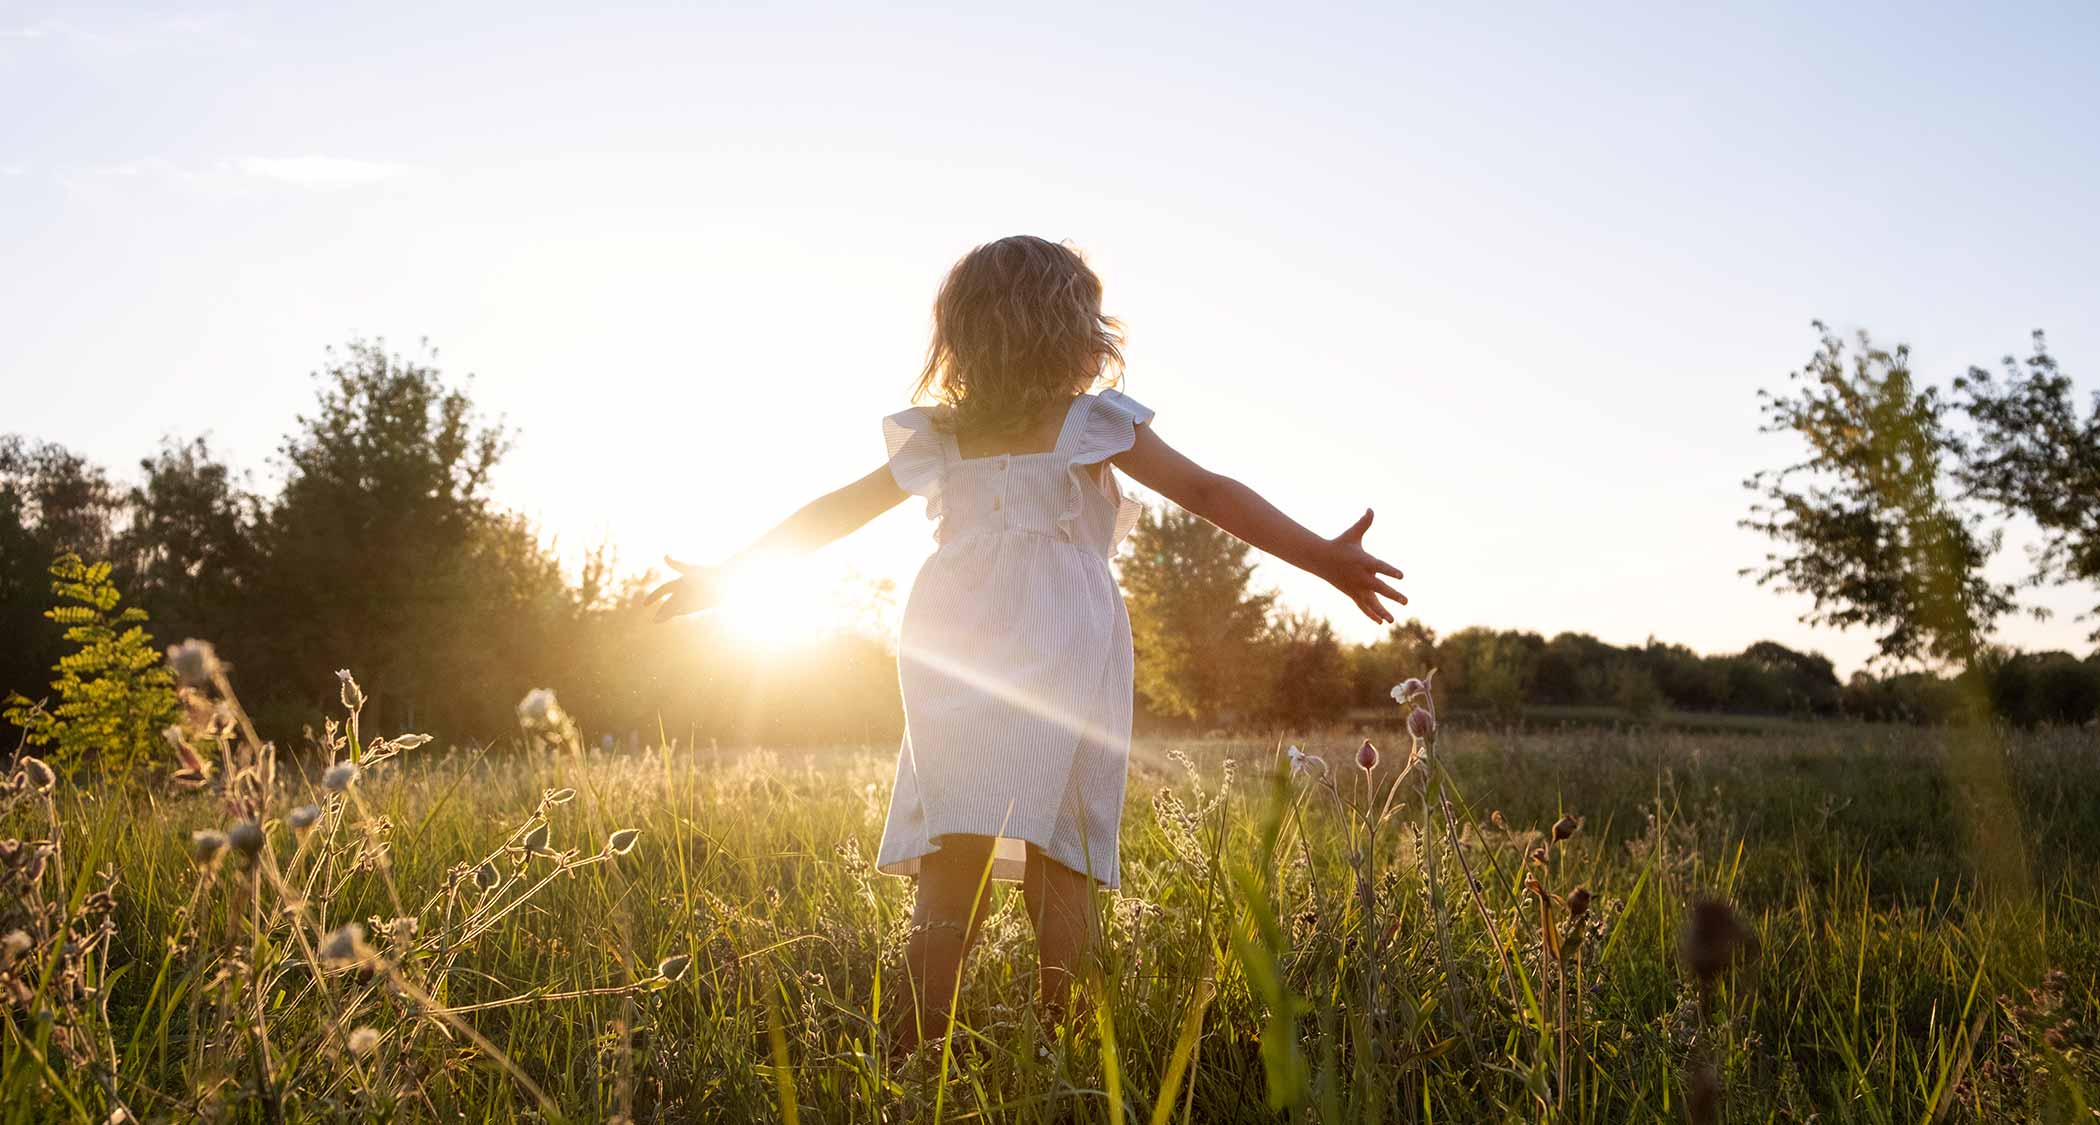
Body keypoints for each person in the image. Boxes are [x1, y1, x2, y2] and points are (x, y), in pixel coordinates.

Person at [646, 234, 1405, 1054]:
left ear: (962, 335)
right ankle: (1061, 1048)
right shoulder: (1090, 422)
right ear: (1077, 330)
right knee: (1063, 847)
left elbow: (834, 511)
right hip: (1067, 634)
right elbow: (1209, 491)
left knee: (957, 840)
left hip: (953, 641)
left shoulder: (944, 433)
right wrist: (1322, 556)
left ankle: (912, 1053)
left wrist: (731, 576)